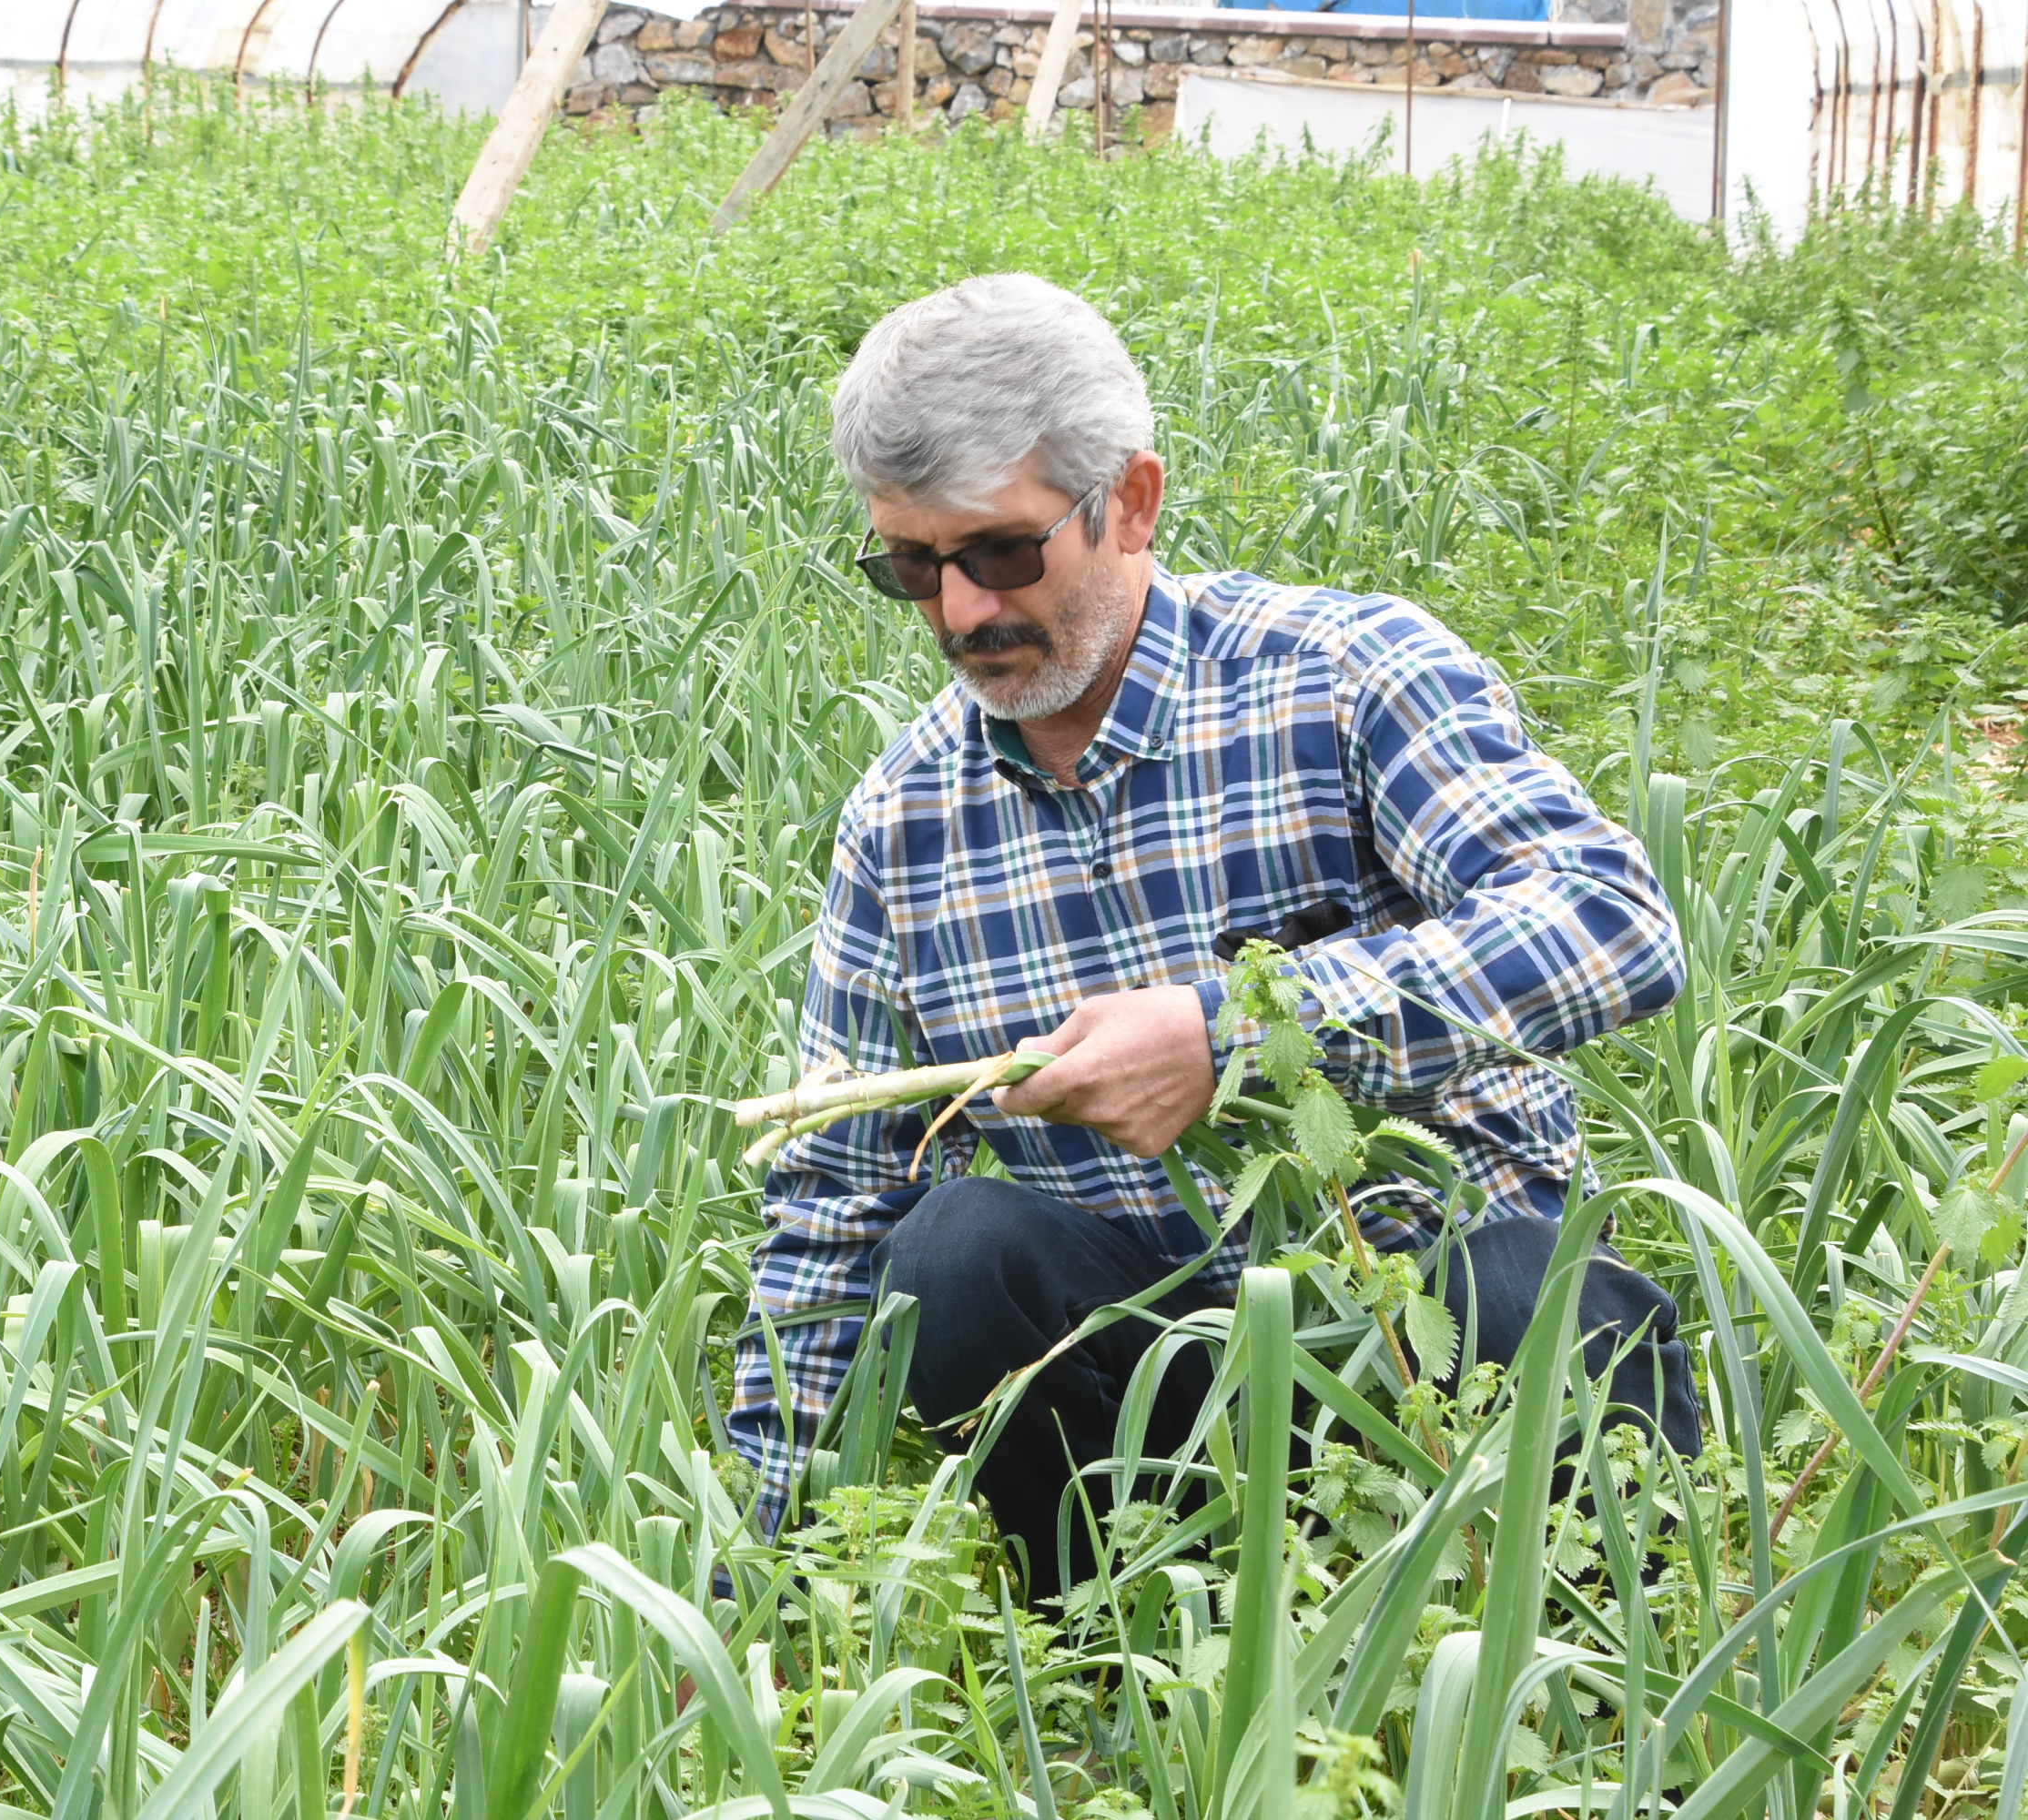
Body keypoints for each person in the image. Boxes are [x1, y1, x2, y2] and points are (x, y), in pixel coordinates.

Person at [726, 273, 1701, 1607]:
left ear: (1130, 501)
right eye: (913, 566)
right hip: (1150, 1393)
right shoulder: (904, 825)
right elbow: (832, 1210)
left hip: (1429, 1322)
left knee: (1540, 1284)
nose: (961, 615)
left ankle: (1612, 1683)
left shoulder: (1347, 677)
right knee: (949, 1255)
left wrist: (1236, 1036)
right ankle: (1110, 1669)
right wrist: (742, 1594)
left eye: (1003, 553)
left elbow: (1612, 919)